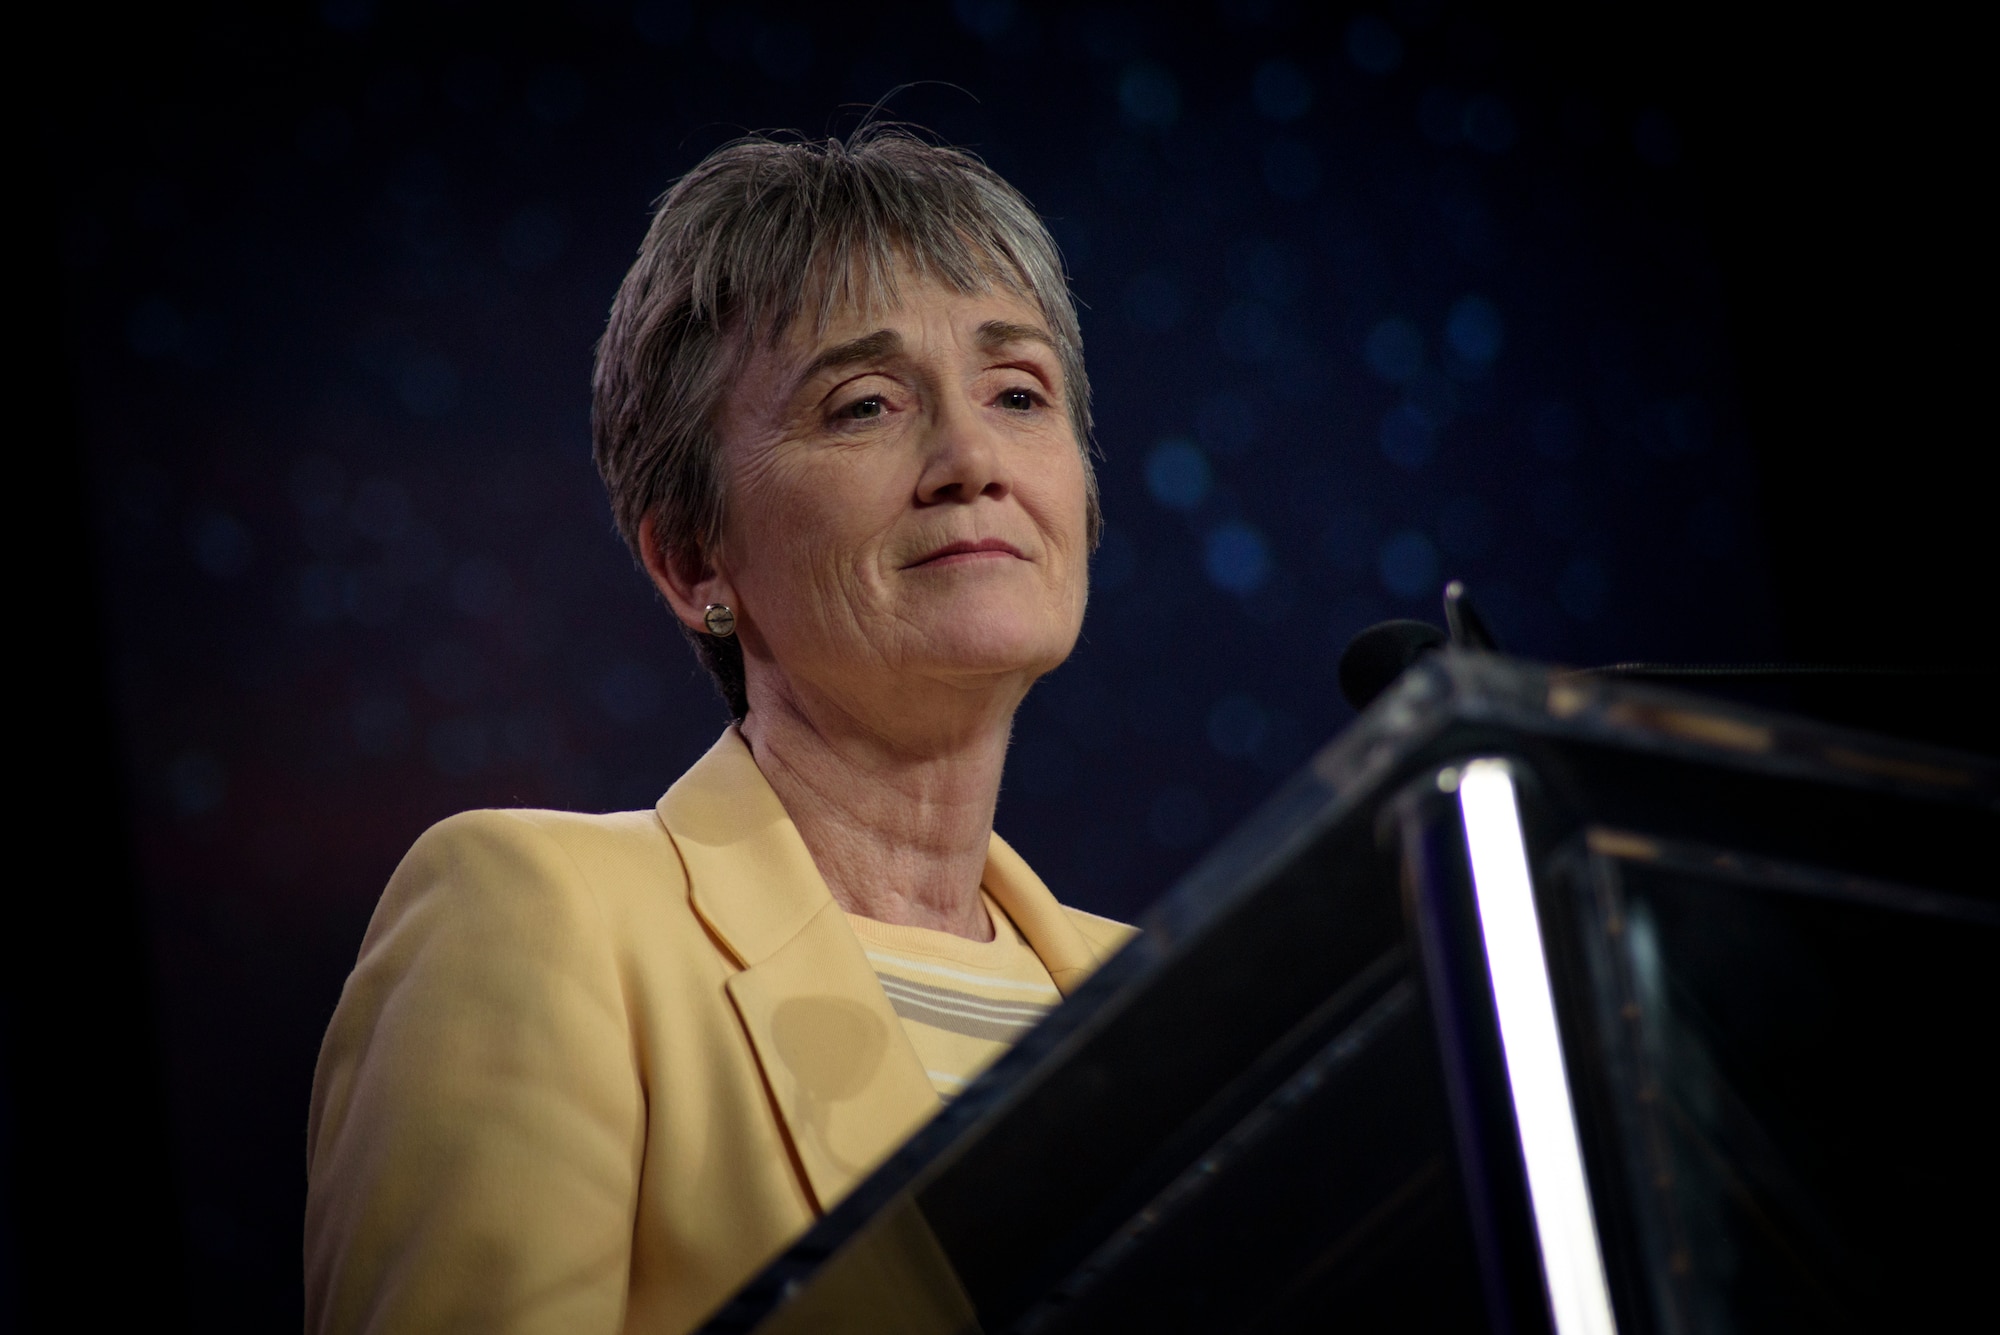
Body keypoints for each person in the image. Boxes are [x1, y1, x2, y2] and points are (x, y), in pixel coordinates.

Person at [303, 127, 1134, 1335]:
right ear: (694, 558)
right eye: (864, 405)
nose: (971, 460)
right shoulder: (539, 913)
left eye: (1017, 393)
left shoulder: (1155, 992)